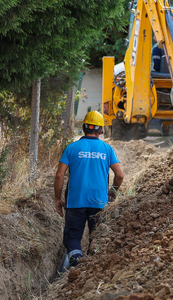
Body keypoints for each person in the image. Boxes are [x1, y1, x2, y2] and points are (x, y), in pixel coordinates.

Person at [54, 111, 123, 267]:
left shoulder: (71, 148)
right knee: (97, 236)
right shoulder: (107, 149)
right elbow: (120, 175)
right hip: (99, 201)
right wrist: (112, 192)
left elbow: (59, 175)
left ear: (84, 128)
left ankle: (76, 260)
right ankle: (92, 267)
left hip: (75, 201)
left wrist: (58, 198)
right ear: (100, 131)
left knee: (73, 236)